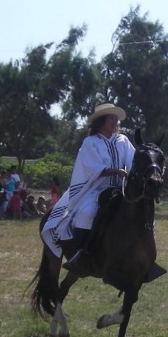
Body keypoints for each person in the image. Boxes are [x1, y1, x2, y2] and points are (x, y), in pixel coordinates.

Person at [42, 102, 134, 274]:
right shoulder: (91, 142)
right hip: (96, 189)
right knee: (87, 212)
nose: (114, 122)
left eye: (115, 118)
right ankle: (80, 255)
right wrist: (117, 171)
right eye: (110, 118)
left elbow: (132, 161)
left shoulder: (124, 141)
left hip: (121, 189)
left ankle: (144, 257)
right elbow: (92, 168)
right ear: (101, 121)